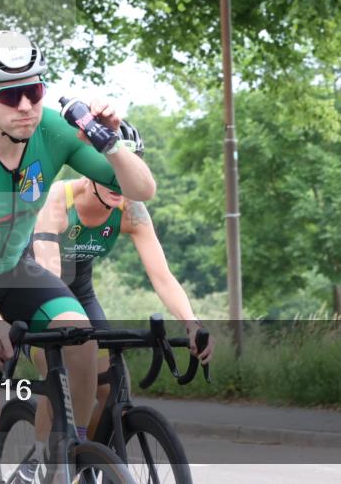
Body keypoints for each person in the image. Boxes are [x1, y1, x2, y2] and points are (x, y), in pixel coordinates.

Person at [0, 30, 156, 483]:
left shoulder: (54, 131)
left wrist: (110, 142)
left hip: (14, 269)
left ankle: (49, 462)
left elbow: (141, 189)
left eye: (35, 91)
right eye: (11, 95)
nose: (25, 105)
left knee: (82, 340)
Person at [18, 122, 215, 481]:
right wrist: (72, 331)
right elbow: (48, 274)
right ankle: (40, 461)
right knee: (64, 373)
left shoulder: (131, 211)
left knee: (110, 385)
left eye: (122, 172)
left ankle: (87, 457)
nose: (117, 184)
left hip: (82, 294)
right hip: (37, 295)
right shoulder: (58, 201)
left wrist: (192, 323)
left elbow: (162, 276)